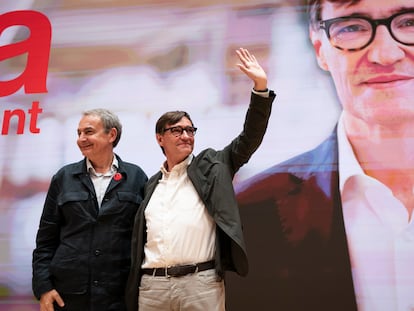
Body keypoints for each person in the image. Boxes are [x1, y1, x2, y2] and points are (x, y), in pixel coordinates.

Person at [225, 0, 414, 310]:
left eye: (409, 22)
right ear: (319, 49)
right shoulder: (244, 219)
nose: (385, 54)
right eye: (352, 27)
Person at [124, 48, 275, 311]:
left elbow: (250, 137)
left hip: (200, 284)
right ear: (160, 138)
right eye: (177, 130)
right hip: (152, 287)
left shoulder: (214, 165)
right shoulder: (151, 184)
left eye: (190, 130)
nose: (186, 135)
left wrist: (260, 88)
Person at [32, 109, 148, 311]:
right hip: (68, 294)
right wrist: (44, 288)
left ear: (111, 135)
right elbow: (45, 240)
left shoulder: (136, 177)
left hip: (119, 295)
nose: (81, 139)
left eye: (88, 132)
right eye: (79, 133)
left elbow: (146, 237)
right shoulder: (64, 177)